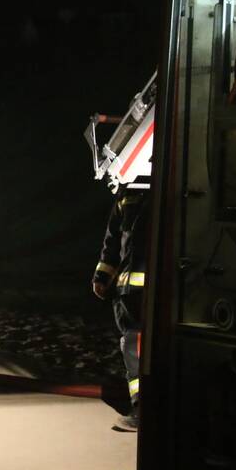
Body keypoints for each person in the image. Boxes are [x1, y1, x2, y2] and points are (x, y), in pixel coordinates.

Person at [93, 185, 149, 432]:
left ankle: (144, 411)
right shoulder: (127, 195)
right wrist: (102, 276)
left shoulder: (136, 194)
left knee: (138, 353)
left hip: (150, 295)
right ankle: (141, 408)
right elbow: (114, 238)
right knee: (133, 352)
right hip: (130, 295)